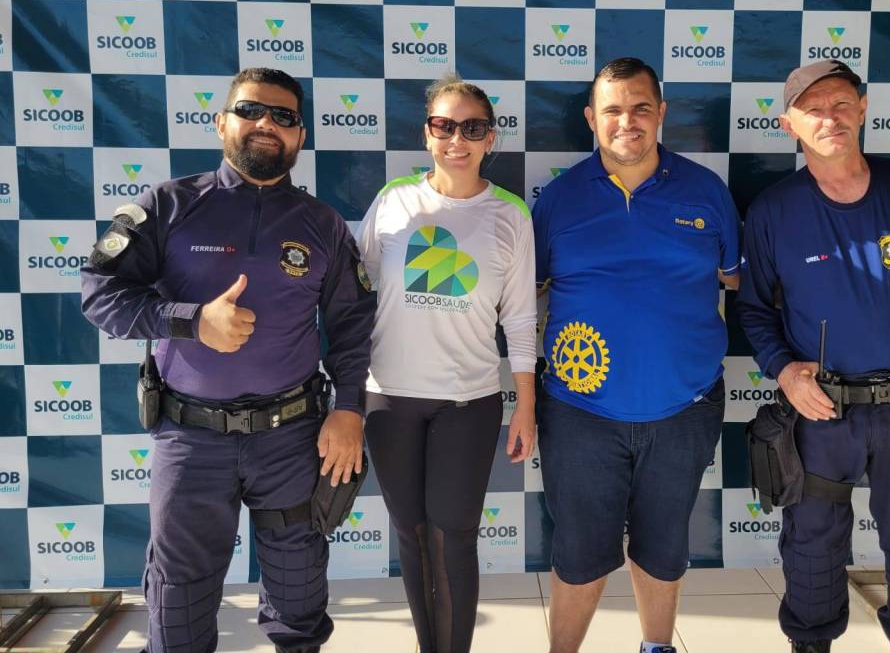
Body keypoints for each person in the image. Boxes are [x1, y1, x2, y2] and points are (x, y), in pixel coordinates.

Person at [80, 67, 375, 653]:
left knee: (299, 600)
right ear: (221, 123)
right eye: (250, 110)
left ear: (300, 135)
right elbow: (100, 294)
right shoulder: (168, 204)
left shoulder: (322, 224)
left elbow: (352, 325)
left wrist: (350, 409)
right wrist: (192, 321)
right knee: (178, 605)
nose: (266, 123)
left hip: (291, 438)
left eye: (283, 116)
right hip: (191, 440)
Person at [736, 60, 890, 653]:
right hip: (821, 414)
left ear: (864, 108)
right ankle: (811, 644)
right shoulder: (773, 210)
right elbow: (753, 311)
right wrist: (784, 371)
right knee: (811, 545)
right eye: (813, 109)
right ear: (789, 125)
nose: (830, 117)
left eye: (842, 103)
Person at [532, 57, 742, 653]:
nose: (628, 121)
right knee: (579, 552)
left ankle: (657, 646)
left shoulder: (706, 191)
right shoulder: (558, 200)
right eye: (613, 110)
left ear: (661, 113)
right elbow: (530, 294)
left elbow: (735, 280)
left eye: (641, 108)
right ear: (591, 118)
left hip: (685, 405)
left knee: (664, 546)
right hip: (579, 411)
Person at [356, 76, 537, 653]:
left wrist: (526, 405)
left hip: (469, 401)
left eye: (472, 127)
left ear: (491, 138)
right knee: (411, 536)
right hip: (389, 397)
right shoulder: (393, 200)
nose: (458, 138)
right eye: (445, 125)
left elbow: (520, 319)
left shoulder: (511, 214)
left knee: (453, 536)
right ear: (427, 133)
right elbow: (355, 299)